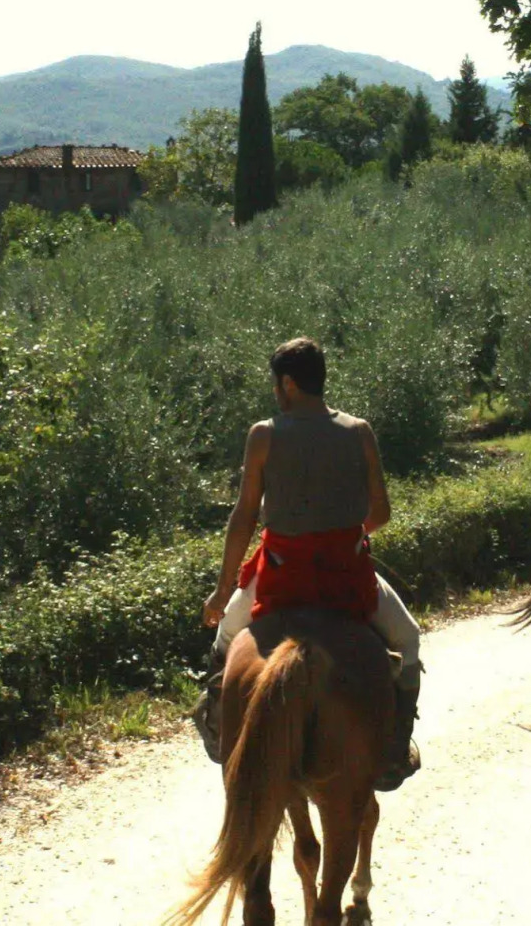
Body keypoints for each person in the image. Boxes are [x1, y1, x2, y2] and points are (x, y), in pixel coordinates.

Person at [192, 337, 422, 791]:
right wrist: (343, 537)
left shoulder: (264, 434)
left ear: (289, 383)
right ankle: (396, 747)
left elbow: (243, 516)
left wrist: (222, 591)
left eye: (277, 382)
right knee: (408, 640)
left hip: (282, 575)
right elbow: (381, 513)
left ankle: (219, 727)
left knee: (225, 637)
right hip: (346, 575)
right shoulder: (359, 431)